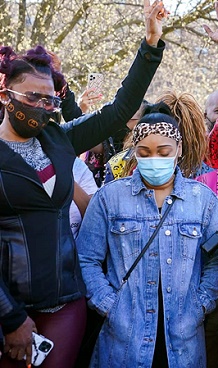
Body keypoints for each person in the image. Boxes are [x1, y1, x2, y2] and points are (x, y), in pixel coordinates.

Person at [0, 0, 166, 366]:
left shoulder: (60, 139)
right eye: (32, 97)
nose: (42, 106)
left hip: (65, 304)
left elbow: (120, 110)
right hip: (7, 310)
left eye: (49, 100)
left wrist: (150, 45)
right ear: (5, 97)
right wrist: (11, 319)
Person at [77, 109, 218, 367]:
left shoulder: (203, 201)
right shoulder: (109, 198)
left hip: (184, 342)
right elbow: (85, 259)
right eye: (144, 153)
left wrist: (200, 305)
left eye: (163, 152)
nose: (154, 159)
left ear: (178, 149)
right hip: (122, 341)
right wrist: (109, 305)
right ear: (135, 152)